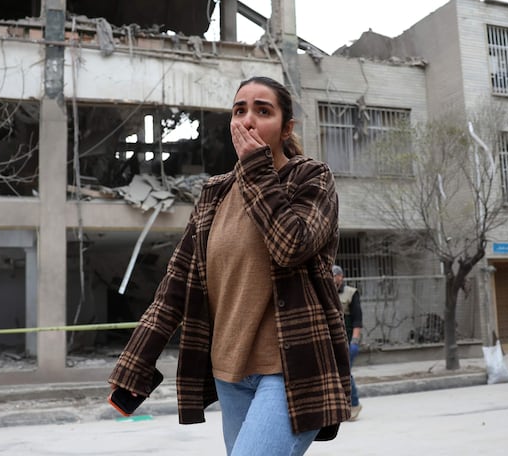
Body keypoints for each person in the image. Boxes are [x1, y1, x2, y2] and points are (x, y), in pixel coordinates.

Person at [109, 76, 351, 455]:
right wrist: (135, 364)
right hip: (230, 374)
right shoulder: (214, 193)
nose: (248, 120)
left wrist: (257, 167)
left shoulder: (312, 178)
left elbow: (292, 244)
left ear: (286, 128)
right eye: (240, 110)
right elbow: (174, 287)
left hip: (291, 370)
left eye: (263, 110)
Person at [332, 264, 363, 420]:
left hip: (348, 341)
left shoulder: (351, 293)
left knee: (345, 373)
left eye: (335, 275)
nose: (333, 278)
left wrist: (354, 342)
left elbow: (358, 319)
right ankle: (342, 406)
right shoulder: (327, 293)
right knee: (337, 374)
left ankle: (354, 404)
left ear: (341, 277)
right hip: (333, 342)